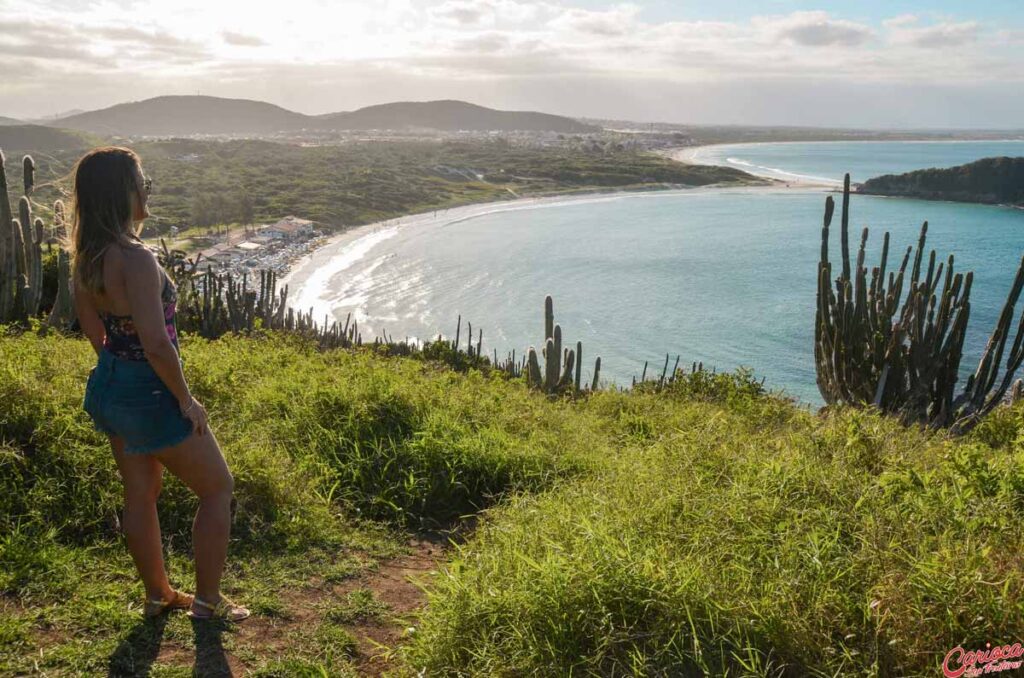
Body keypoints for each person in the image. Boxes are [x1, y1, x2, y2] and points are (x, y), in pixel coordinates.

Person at [67, 146, 249, 622]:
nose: (148, 189)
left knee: (140, 494)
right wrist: (187, 402)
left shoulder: (87, 256)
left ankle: (158, 594)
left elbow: (93, 328)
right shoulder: (136, 259)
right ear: (121, 192)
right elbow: (157, 343)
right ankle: (208, 602)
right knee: (217, 489)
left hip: (110, 385)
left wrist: (117, 371)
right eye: (142, 181)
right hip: (150, 389)